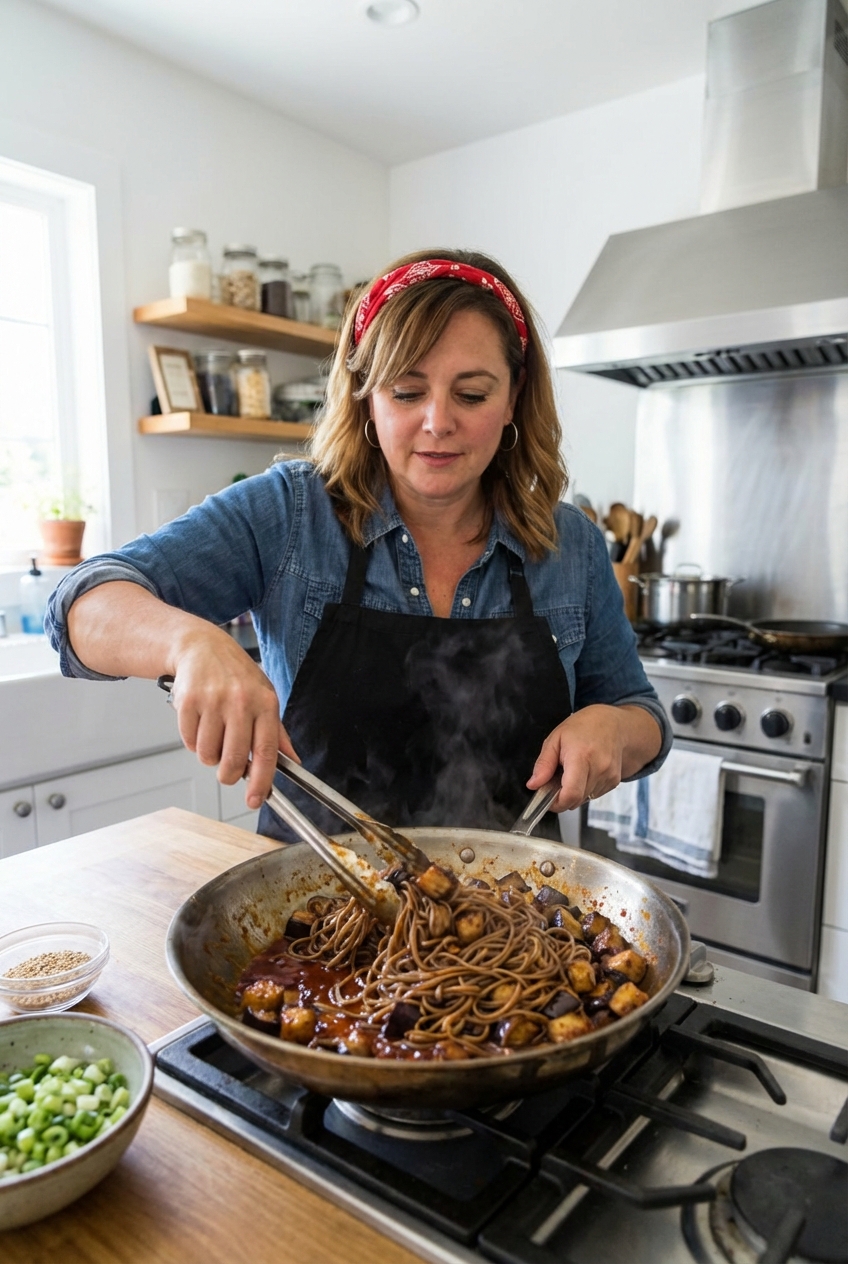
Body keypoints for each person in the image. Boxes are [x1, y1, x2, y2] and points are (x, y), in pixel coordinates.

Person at [46, 249, 670, 841]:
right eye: (406, 392)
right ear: (366, 398)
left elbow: (644, 717)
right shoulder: (290, 514)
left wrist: (614, 726)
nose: (437, 422)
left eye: (472, 394)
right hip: (310, 911)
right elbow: (78, 606)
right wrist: (188, 643)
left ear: (513, 397)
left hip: (513, 921)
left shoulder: (574, 546)